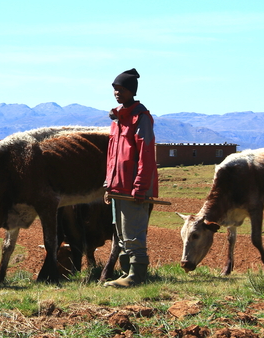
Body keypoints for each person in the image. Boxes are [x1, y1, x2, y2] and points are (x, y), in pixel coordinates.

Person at [103, 68, 158, 288]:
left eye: (122, 89)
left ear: (131, 91)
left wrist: (140, 187)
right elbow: (112, 156)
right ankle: (127, 273)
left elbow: (145, 153)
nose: (117, 93)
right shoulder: (117, 120)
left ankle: (137, 276)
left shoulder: (140, 119)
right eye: (115, 89)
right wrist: (108, 184)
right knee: (121, 232)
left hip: (133, 188)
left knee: (134, 231)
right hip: (118, 187)